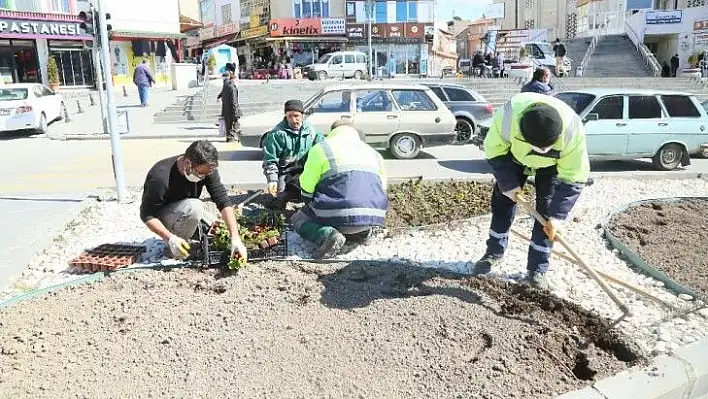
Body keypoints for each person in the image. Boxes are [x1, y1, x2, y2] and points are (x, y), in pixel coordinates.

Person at [472, 92, 590, 289]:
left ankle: (537, 268)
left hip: (551, 167)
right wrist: (508, 183)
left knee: (546, 215)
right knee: (502, 204)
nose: (542, 151)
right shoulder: (508, 116)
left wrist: (558, 216)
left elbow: (574, 177)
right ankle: (493, 253)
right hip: (514, 159)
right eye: (537, 146)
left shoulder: (572, 131)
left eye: (547, 146)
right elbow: (494, 150)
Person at [292, 118, 388, 259]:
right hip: (373, 216)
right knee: (357, 209)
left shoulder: (322, 148)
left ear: (332, 132)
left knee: (298, 219)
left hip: (338, 215)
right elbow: (382, 187)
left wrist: (309, 202)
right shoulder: (374, 153)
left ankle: (329, 236)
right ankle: (361, 234)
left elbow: (307, 186)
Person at [140, 140, 247, 261]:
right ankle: (175, 251)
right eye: (200, 173)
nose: (203, 177)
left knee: (218, 227)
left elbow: (223, 200)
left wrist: (235, 237)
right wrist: (170, 238)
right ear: (187, 163)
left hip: (184, 209)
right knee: (195, 207)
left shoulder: (207, 169)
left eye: (207, 174)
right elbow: (147, 215)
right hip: (163, 217)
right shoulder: (160, 177)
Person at [262, 99, 325, 209]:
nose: (293, 120)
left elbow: (323, 151)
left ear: (302, 115)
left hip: (306, 170)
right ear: (285, 116)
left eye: (296, 116)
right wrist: (272, 180)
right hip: (285, 172)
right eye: (289, 116)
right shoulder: (277, 134)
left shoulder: (312, 132)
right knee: (278, 198)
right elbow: (270, 160)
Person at [217, 72, 242, 143]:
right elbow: (234, 102)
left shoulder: (225, 85)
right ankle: (236, 138)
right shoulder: (232, 87)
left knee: (228, 126)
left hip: (225, 110)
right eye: (237, 80)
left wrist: (218, 97)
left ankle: (229, 139)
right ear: (233, 79)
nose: (238, 82)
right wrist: (236, 114)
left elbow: (222, 93)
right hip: (232, 111)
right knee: (235, 126)